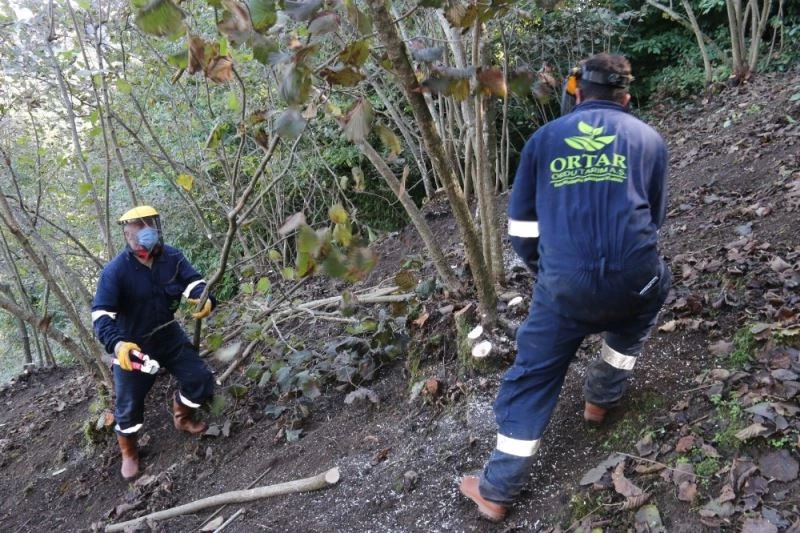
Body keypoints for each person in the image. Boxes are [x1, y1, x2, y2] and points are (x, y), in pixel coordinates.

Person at [459, 53, 672, 521]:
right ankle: (602, 398)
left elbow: (520, 230)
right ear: (626, 97)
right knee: (651, 293)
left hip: (565, 291)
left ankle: (497, 490)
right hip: (635, 282)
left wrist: (551, 272)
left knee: (533, 374)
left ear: (575, 93)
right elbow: (652, 221)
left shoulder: (543, 140)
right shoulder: (649, 140)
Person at [91, 206, 216, 480]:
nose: (146, 233)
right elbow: (100, 315)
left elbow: (194, 282)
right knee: (128, 406)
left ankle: (182, 416)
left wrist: (204, 298)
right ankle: (129, 451)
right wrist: (118, 345)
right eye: (138, 229)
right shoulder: (115, 272)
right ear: (127, 234)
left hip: (169, 336)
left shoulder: (172, 256)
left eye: (149, 226)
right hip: (132, 348)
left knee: (200, 380)